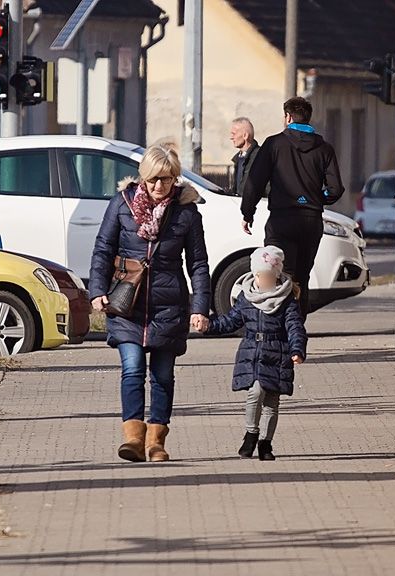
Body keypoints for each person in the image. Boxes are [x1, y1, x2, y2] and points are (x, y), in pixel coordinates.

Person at [89, 144, 212, 463]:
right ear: (144, 177)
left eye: (167, 180)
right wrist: (97, 290)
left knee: (163, 375)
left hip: (169, 305)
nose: (160, 187)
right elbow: (103, 248)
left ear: (175, 180)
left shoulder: (186, 212)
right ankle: (133, 438)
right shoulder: (122, 204)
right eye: (155, 179)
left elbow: (198, 263)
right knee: (131, 369)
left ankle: (156, 441)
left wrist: (200, 308)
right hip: (127, 301)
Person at [240, 96, 344, 316]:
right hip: (311, 221)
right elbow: (335, 189)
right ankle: (297, 336)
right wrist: (316, 198)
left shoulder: (274, 144)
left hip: (281, 220)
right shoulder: (324, 148)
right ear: (308, 117)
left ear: (287, 117)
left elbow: (254, 182)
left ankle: (279, 334)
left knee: (278, 275)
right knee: (301, 278)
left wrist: (247, 212)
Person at [207, 245, 307, 462]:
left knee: (272, 401)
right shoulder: (247, 297)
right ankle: (251, 433)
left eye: (269, 276)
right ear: (254, 274)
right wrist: (209, 326)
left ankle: (266, 443)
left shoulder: (286, 299)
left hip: (278, 353)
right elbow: (230, 321)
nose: (264, 280)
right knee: (255, 391)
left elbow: (295, 326)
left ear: (277, 275)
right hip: (253, 352)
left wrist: (297, 349)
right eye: (261, 276)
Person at [227, 117, 260, 197]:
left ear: (245, 135)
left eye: (234, 134)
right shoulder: (238, 159)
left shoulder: (260, 157)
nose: (231, 137)